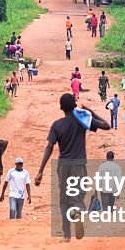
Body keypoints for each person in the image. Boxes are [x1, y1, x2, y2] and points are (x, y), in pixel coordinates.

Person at [35, 93, 110, 241]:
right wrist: (90, 112)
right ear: (75, 105)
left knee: (64, 199)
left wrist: (40, 171)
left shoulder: (57, 125)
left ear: (61, 107)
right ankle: (78, 211)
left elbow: (49, 147)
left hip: (63, 166)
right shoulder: (82, 121)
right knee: (78, 194)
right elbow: (106, 125)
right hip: (79, 164)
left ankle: (66, 235)